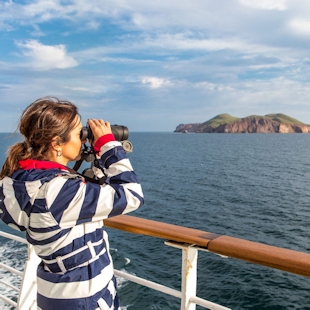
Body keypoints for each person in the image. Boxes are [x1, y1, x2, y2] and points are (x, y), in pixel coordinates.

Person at [0, 96, 144, 310]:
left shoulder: (15, 182)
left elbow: (74, 201)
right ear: (57, 142)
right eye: (79, 133)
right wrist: (109, 147)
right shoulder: (56, 191)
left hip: (54, 293)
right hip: (83, 297)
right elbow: (131, 195)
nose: (84, 138)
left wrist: (96, 162)